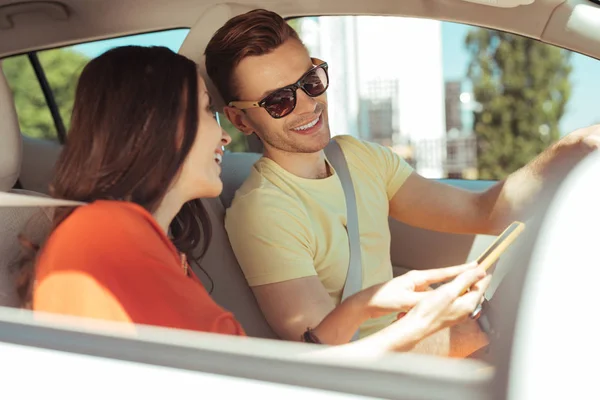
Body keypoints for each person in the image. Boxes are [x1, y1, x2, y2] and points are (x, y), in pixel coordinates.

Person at [24, 45, 491, 355]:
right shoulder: (104, 238)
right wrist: (419, 324)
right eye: (208, 112)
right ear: (161, 125)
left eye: (310, 83)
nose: (223, 135)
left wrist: (363, 305)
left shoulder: (143, 244)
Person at [204, 9, 600, 356]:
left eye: (309, 81)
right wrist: (479, 328)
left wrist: (565, 152)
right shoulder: (263, 213)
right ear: (240, 120)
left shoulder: (358, 157)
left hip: (426, 347)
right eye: (278, 101)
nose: (308, 105)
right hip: (385, 376)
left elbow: (479, 210)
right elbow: (328, 358)